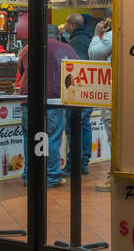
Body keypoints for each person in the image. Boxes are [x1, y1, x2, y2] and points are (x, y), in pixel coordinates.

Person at [21, 22, 78, 188]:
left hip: (29, 100)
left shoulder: (26, 49)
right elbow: (76, 73)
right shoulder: (67, 49)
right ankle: (51, 176)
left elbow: (21, 72)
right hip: (54, 100)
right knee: (51, 138)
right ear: (57, 34)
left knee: (31, 139)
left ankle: (29, 176)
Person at [63, 13, 94, 175]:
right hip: (89, 91)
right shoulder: (88, 37)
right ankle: (83, 162)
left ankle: (75, 164)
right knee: (85, 126)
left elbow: (76, 67)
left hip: (79, 92)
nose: (64, 27)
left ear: (72, 25)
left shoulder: (77, 41)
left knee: (74, 127)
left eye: (66, 24)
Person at [89, 11, 113, 191]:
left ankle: (113, 178)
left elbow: (95, 55)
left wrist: (97, 35)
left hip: (113, 90)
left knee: (114, 133)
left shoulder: (112, 35)